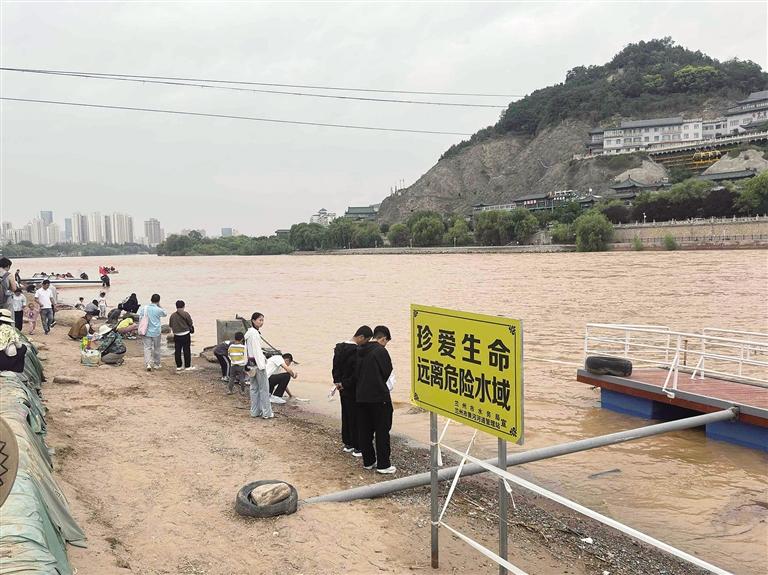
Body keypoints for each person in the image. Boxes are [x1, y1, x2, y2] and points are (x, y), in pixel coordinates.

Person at [356, 325, 396, 474]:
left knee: (365, 430)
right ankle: (383, 465)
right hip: (379, 397)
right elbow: (387, 372)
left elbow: (355, 373)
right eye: (386, 341)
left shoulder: (360, 349)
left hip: (361, 396)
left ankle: (368, 461)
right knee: (382, 430)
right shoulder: (381, 351)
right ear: (383, 338)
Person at [332, 325, 373, 455]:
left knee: (346, 414)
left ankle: (347, 443)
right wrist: (346, 384)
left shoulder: (339, 347)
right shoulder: (356, 351)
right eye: (367, 340)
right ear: (361, 337)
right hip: (353, 388)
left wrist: (338, 382)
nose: (366, 343)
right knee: (356, 417)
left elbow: (335, 367)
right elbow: (356, 373)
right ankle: (357, 446)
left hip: (341, 386)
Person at [245, 312, 272, 419]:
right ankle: (266, 413)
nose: (261, 322)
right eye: (260, 320)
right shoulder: (254, 334)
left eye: (262, 320)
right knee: (264, 389)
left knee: (254, 388)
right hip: (258, 365)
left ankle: (254, 411)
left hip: (251, 364)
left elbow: (249, 350)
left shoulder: (249, 333)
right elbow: (257, 351)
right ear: (253, 320)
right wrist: (262, 365)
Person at [139, 293, 166, 371]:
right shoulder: (158, 310)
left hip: (146, 331)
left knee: (147, 348)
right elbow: (165, 314)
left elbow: (140, 317)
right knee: (156, 348)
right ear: (158, 300)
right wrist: (159, 306)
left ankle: (148, 364)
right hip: (156, 332)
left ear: (151, 299)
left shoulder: (145, 308)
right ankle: (157, 364)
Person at [169, 300, 195, 371]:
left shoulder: (172, 315)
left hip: (176, 335)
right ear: (183, 306)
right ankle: (187, 366)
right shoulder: (186, 314)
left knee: (177, 350)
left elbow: (170, 325)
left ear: (176, 306)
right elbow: (190, 323)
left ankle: (179, 366)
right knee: (186, 350)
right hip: (185, 334)